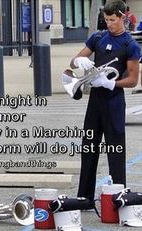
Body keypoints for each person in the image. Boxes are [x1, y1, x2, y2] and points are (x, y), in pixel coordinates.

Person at [70, 0, 141, 208]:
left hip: (114, 101)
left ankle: (119, 198)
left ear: (122, 18)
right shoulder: (98, 37)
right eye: (106, 19)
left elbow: (133, 80)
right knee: (88, 149)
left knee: (115, 152)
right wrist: (79, 62)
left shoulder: (130, 45)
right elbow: (73, 61)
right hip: (95, 103)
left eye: (112, 20)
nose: (109, 23)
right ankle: (85, 198)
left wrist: (111, 83)